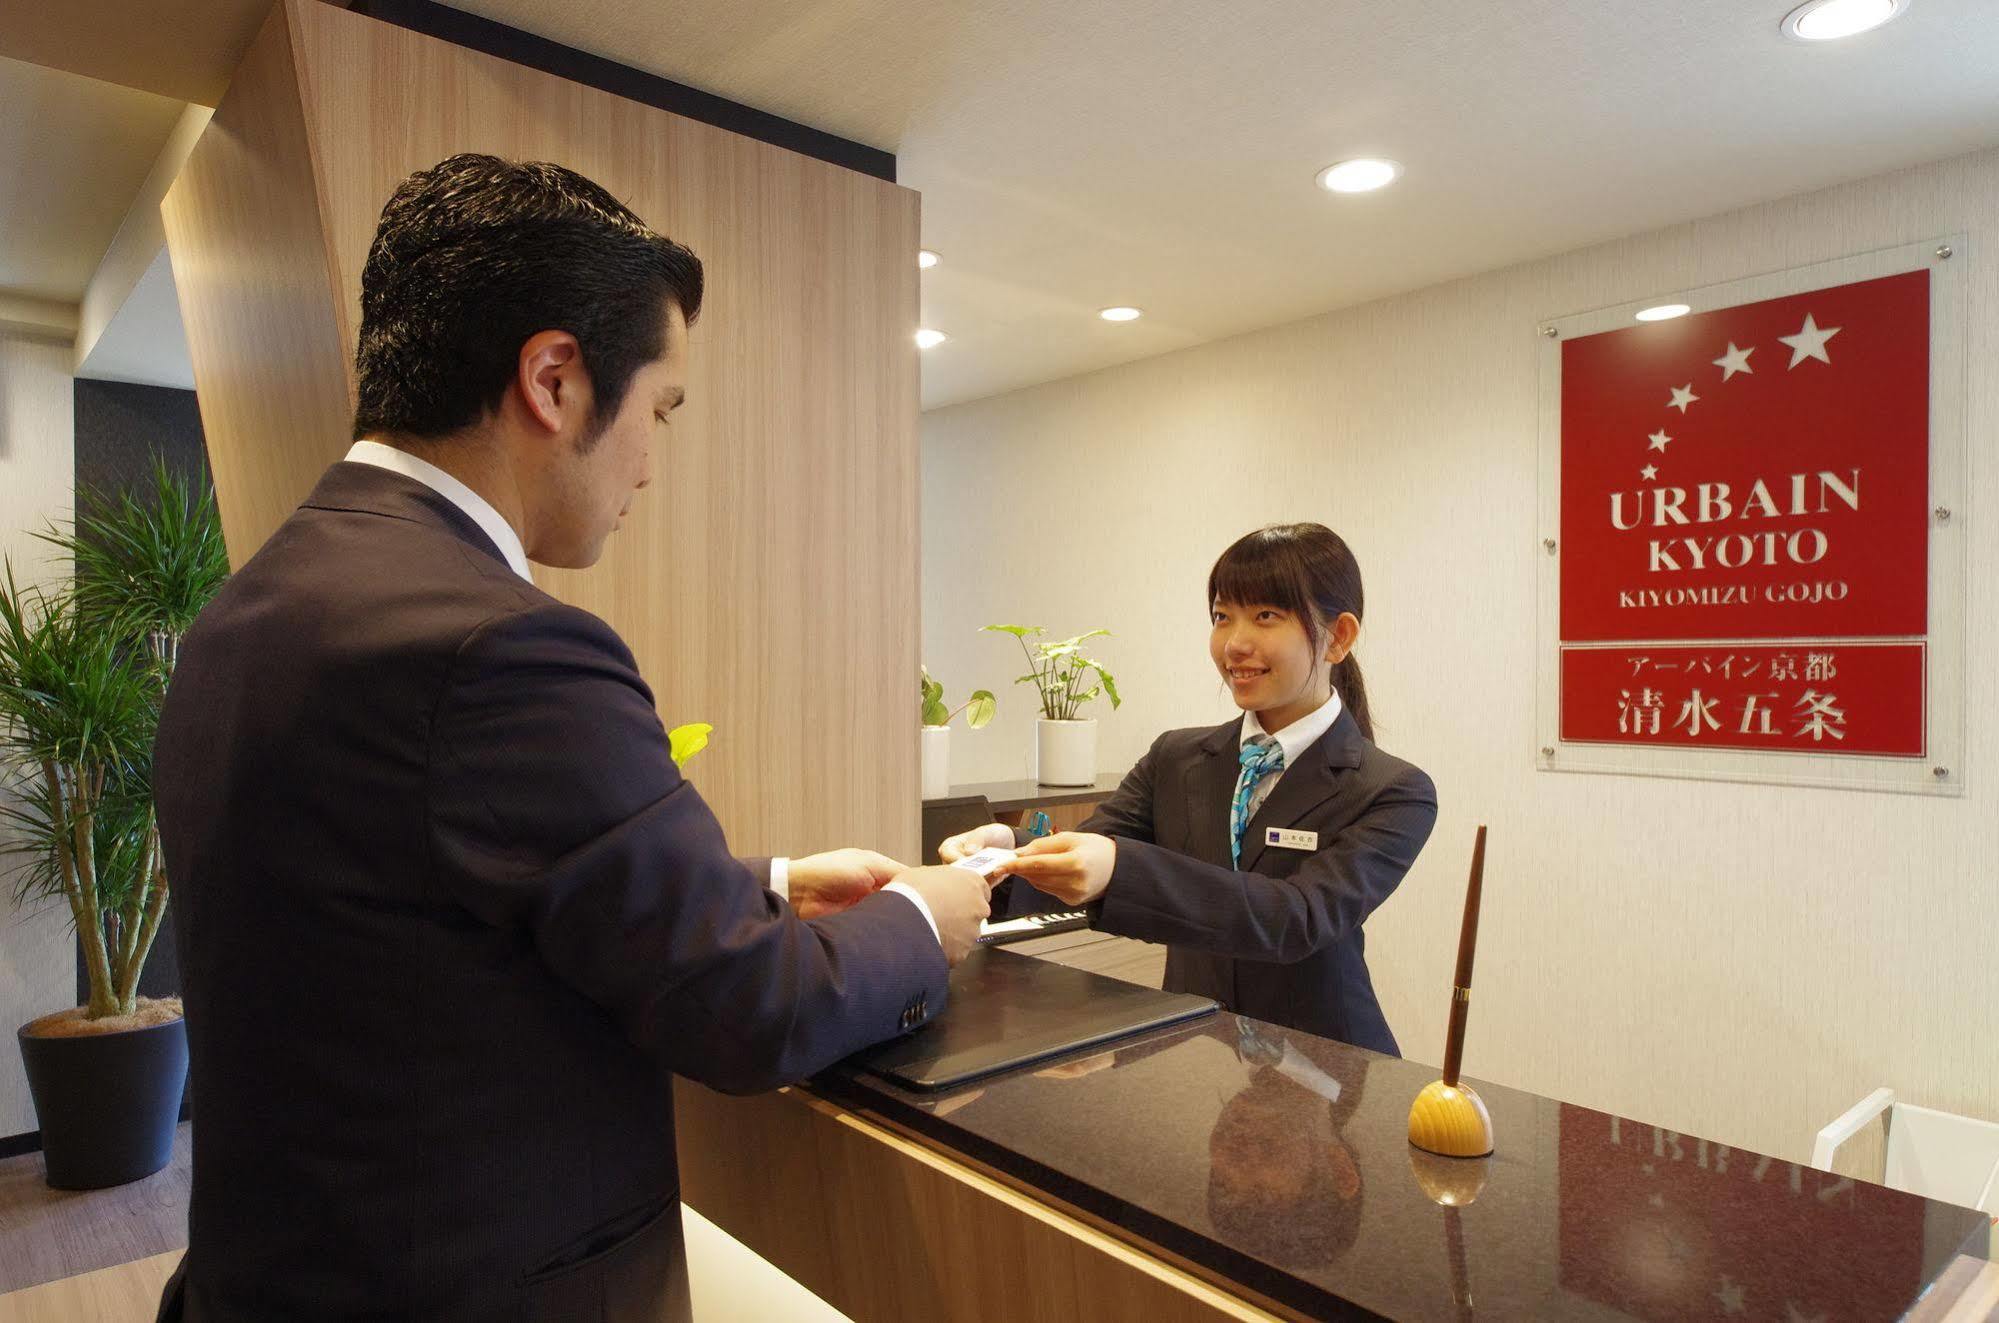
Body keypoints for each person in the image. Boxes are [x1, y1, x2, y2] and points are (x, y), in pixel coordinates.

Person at [152, 154, 989, 1323]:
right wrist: (920, 918)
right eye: (658, 409)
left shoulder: (246, 613)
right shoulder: (502, 646)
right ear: (554, 379)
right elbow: (744, 1010)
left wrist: (775, 882)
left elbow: (410, 905)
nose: (650, 457)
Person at [943, 523, 1435, 1053]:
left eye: (1266, 615)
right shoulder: (1176, 758)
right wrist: (1006, 857)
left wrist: (1119, 868)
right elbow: (1088, 851)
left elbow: (1297, 918)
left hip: (1327, 1066)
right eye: (1223, 617)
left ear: (1338, 637)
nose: (1236, 643)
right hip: (1193, 1054)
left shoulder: (1393, 790)